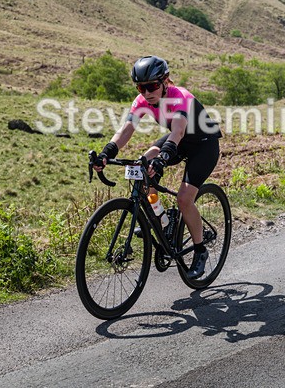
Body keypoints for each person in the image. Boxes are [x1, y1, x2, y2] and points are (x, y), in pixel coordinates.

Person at [93, 55, 222, 279]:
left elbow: (178, 131)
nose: (146, 93)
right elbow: (126, 130)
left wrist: (163, 157)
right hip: (178, 142)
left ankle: (200, 251)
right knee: (142, 165)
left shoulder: (180, 96)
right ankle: (163, 219)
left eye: (151, 86)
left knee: (184, 198)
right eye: (141, 87)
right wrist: (107, 153)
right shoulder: (141, 101)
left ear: (165, 81)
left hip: (203, 144)